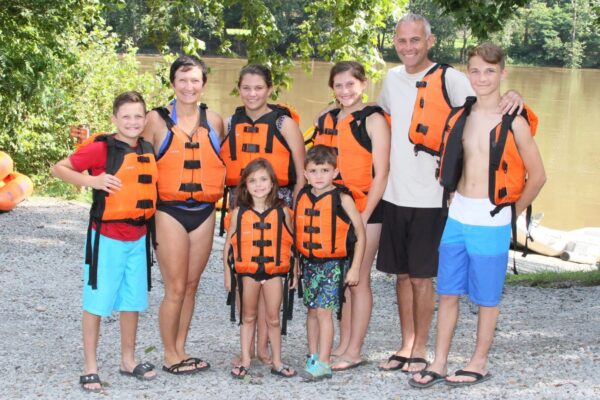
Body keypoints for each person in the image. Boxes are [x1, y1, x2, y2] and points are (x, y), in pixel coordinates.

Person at [376, 13, 525, 374]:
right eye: (401, 40)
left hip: (433, 197)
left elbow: (491, 102)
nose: (408, 47)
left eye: (415, 40)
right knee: (401, 275)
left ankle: (423, 350)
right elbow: (378, 119)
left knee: (423, 277)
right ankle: (407, 342)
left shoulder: (453, 79)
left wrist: (516, 95)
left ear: (430, 41)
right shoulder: (391, 79)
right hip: (395, 193)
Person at [409, 43, 545, 388]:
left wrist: (511, 213)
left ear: (503, 73)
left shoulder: (515, 121)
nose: (482, 78)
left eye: (489, 71)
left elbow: (538, 175)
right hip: (458, 215)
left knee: (486, 297)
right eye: (475, 70)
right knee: (449, 292)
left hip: (493, 216)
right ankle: (439, 361)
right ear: (467, 73)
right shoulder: (461, 115)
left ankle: (478, 361)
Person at [51, 91, 158, 392]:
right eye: (126, 116)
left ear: (146, 118)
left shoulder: (146, 148)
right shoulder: (102, 148)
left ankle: (128, 359)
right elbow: (59, 167)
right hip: (107, 238)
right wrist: (92, 181)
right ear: (114, 119)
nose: (133, 122)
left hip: (138, 238)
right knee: (97, 303)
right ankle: (90, 367)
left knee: (132, 302)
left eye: (138, 116)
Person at [142, 55, 226, 374]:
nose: (189, 86)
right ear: (172, 82)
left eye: (195, 80)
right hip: (169, 211)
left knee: (191, 285)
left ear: (204, 84)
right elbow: (130, 154)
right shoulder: (155, 119)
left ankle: (181, 347)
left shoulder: (215, 121)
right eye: (182, 79)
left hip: (204, 211)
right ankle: (168, 354)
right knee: (175, 287)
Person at [221, 64, 305, 365]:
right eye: (246, 88)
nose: (252, 93)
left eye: (258, 87)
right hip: (242, 204)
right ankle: (248, 348)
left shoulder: (284, 123)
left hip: (278, 203)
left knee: (270, 267)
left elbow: (301, 171)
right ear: (239, 88)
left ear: (269, 89)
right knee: (246, 268)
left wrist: (295, 212)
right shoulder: (231, 122)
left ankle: (264, 347)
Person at [309, 61, 390, 370]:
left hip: (366, 210)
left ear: (363, 84)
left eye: (350, 85)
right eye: (338, 85)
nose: (345, 91)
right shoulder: (327, 118)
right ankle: (341, 345)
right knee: (341, 279)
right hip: (333, 210)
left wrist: (364, 216)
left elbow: (382, 174)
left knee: (359, 280)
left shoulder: (373, 120)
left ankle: (354, 349)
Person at [295, 145, 366, 380]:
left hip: (333, 265)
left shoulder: (342, 198)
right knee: (312, 312)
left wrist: (355, 267)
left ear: (335, 172)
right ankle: (313, 355)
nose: (319, 176)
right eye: (313, 171)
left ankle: (324, 363)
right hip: (309, 263)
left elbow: (360, 233)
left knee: (325, 313)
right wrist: (296, 265)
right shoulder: (303, 195)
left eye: (325, 170)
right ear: (305, 173)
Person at [223, 159, 298, 379]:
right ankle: (246, 359)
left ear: (273, 183)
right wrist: (228, 275)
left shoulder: (283, 211)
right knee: (248, 316)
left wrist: (294, 272)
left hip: (274, 272)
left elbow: (291, 243)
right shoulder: (238, 213)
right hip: (247, 273)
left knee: (274, 318)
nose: (258, 185)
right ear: (245, 185)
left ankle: (277, 361)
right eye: (253, 180)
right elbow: (228, 245)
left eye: (263, 179)